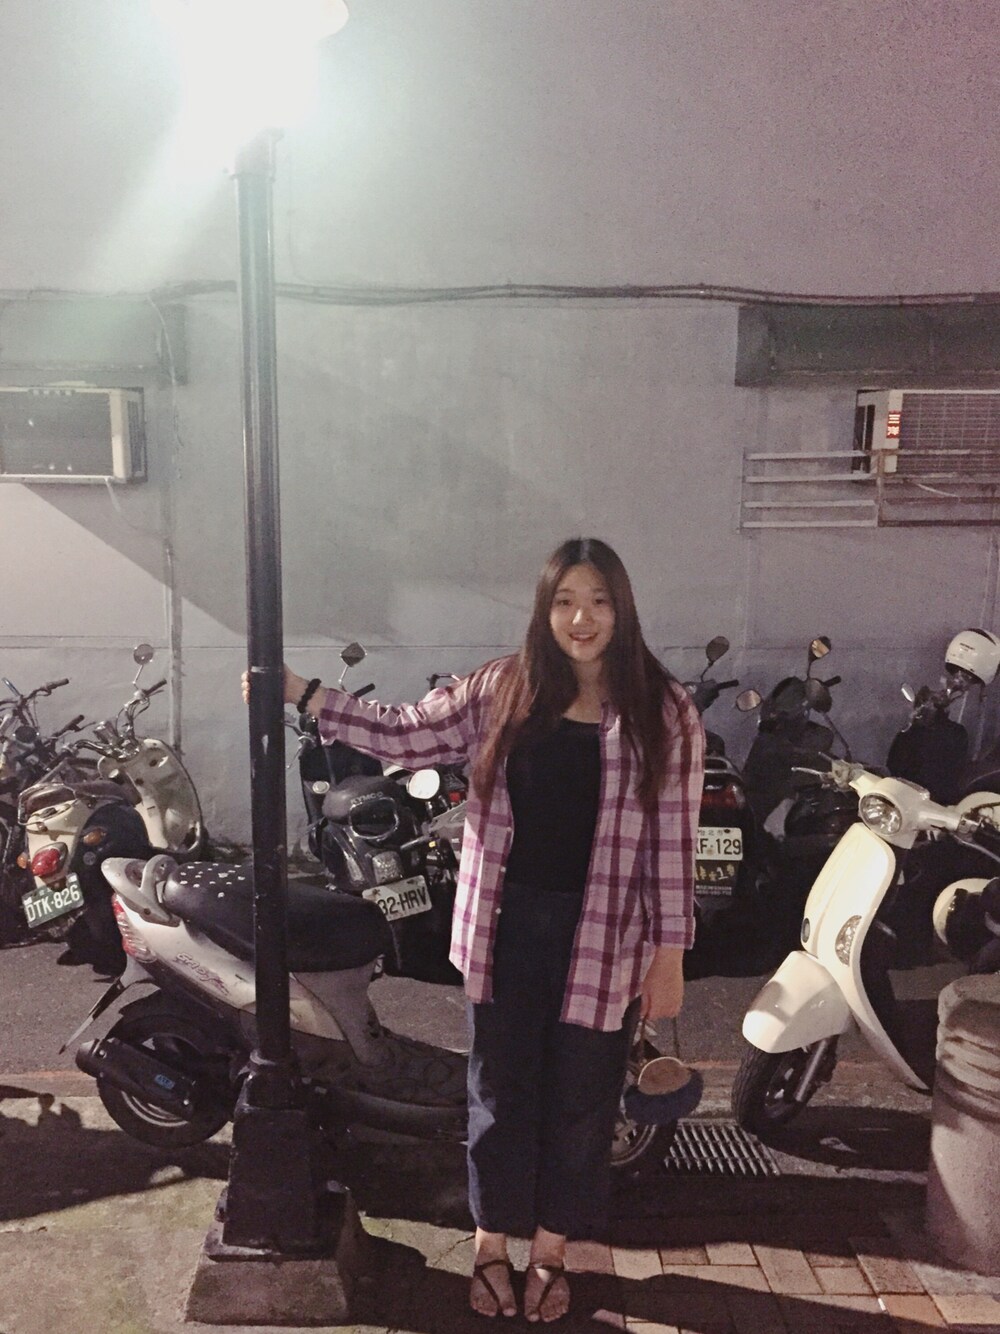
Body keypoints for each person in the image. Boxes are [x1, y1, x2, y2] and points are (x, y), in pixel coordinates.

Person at [246, 537, 704, 1322]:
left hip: (606, 936)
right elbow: (402, 731)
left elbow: (674, 840)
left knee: (583, 1102)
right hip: (506, 927)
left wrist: (670, 954)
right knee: (498, 1091)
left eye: (597, 602)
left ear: (622, 609)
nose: (581, 619)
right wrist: (303, 693)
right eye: (565, 602)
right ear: (544, 610)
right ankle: (492, 1242)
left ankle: (550, 1250)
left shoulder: (663, 710)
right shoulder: (503, 688)